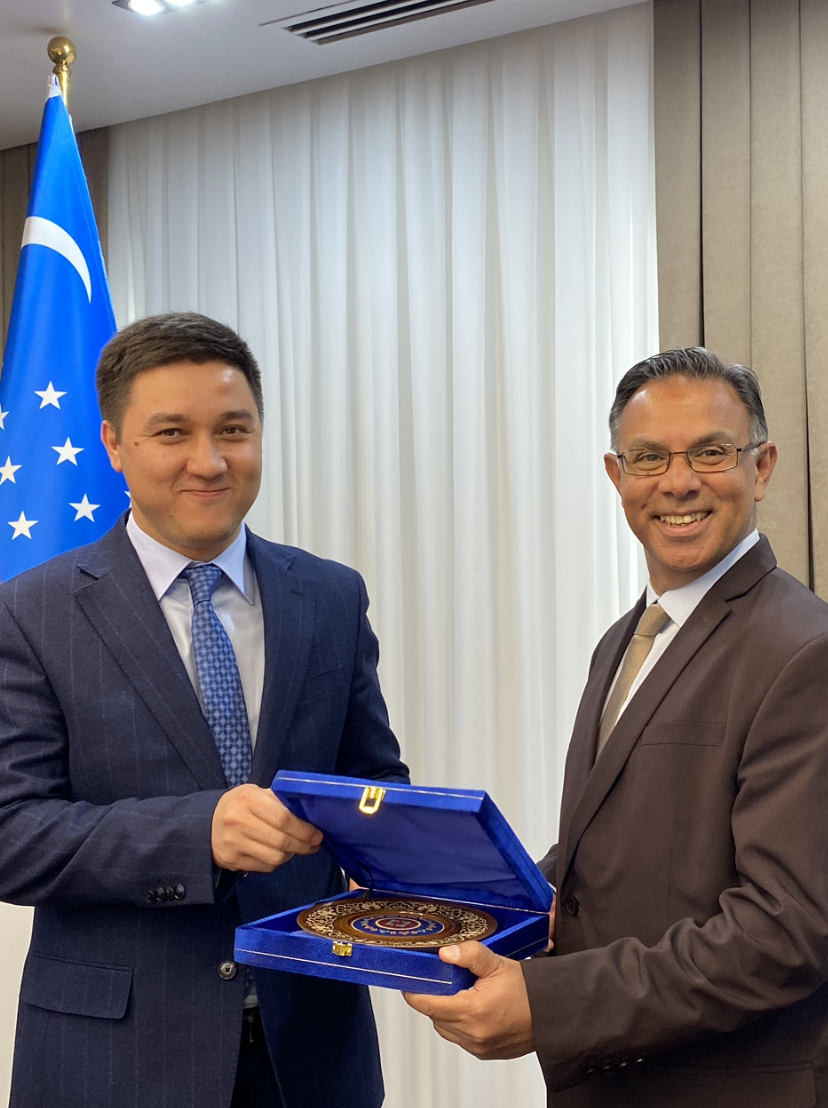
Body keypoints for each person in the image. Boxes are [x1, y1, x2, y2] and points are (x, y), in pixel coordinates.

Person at [0, 311, 408, 1108]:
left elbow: (370, 782)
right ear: (114, 445)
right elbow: (12, 835)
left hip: (311, 1052)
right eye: (171, 433)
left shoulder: (329, 595)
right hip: (113, 1061)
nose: (209, 461)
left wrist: (434, 874)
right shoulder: (31, 613)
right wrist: (199, 833)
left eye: (234, 428)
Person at [405, 347, 828, 1107]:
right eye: (648, 457)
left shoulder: (804, 651)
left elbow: (785, 929)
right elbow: (620, 850)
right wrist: (468, 906)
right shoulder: (626, 639)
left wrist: (551, 1004)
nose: (678, 481)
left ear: (761, 467)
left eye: (711, 451)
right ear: (616, 476)